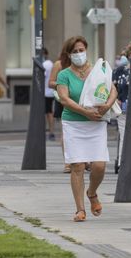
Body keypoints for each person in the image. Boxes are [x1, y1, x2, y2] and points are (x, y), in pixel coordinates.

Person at [56, 36, 118, 222]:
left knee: (99, 165)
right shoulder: (64, 74)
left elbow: (112, 89)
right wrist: (85, 112)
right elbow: (64, 99)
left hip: (96, 123)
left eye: (81, 50)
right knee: (78, 166)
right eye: (74, 51)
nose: (78, 54)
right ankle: (80, 209)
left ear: (86, 50)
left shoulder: (97, 71)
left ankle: (92, 192)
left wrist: (107, 105)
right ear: (69, 54)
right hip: (73, 124)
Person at [49, 40, 73, 173]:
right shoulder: (59, 64)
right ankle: (68, 162)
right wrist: (63, 84)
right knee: (66, 132)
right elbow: (50, 82)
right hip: (63, 100)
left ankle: (83, 160)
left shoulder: (82, 66)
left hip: (78, 99)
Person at [112, 44, 131, 169]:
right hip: (123, 107)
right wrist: (116, 99)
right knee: (124, 135)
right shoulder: (120, 71)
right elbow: (112, 86)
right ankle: (122, 162)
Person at [43, 48, 55, 141]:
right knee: (49, 112)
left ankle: (50, 132)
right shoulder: (51, 64)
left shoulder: (44, 64)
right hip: (50, 92)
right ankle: (51, 132)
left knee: (48, 113)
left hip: (45, 92)